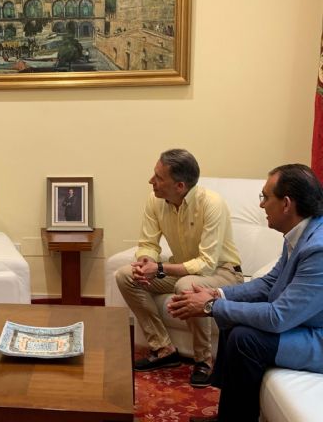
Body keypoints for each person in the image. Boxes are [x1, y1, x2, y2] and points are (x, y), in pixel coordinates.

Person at [168, 164, 323, 422]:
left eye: (265, 197)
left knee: (244, 338)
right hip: (303, 324)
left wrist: (210, 307)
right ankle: (228, 415)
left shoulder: (318, 249)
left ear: (286, 204)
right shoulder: (299, 232)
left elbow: (278, 317)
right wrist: (216, 294)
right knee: (234, 321)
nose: (261, 205)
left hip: (317, 339)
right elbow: (268, 283)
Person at [115, 149, 243, 387]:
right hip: (182, 268)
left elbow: (205, 265)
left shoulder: (211, 204)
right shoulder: (155, 200)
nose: (151, 181)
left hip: (223, 272)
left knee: (187, 285)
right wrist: (145, 261)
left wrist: (160, 267)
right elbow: (148, 243)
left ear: (180, 185)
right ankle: (163, 349)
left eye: (158, 177)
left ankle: (204, 361)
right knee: (125, 276)